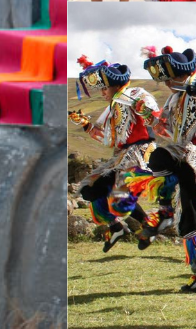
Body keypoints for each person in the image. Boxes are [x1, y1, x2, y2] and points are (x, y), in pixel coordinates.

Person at [130, 46, 196, 292]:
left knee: (162, 157)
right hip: (183, 159)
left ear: (183, 74)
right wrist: (150, 118)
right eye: (165, 80)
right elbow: (168, 131)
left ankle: (167, 213)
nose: (168, 84)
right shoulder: (173, 99)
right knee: (187, 216)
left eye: (171, 79)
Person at [69, 58, 157, 252]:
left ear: (115, 84)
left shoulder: (137, 95)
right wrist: (86, 125)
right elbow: (109, 140)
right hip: (122, 156)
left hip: (141, 154)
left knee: (120, 198)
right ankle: (116, 227)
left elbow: (154, 118)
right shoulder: (112, 108)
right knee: (91, 190)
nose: (102, 93)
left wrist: (146, 110)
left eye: (104, 88)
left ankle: (149, 226)